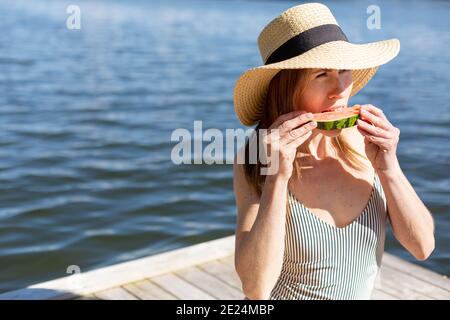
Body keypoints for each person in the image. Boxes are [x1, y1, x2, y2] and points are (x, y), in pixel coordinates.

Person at [232, 3, 435, 300]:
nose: (340, 88)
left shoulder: (368, 142)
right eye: (321, 74)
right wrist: (277, 177)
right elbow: (256, 289)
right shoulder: (255, 158)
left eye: (343, 70)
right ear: (286, 89)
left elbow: (423, 247)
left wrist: (389, 168)